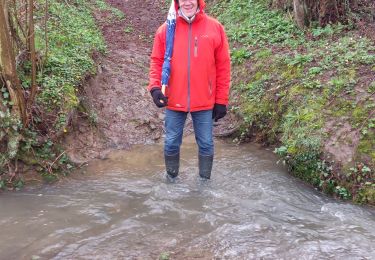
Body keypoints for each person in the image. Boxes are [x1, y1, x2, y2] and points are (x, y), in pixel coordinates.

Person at [147, 0, 231, 179]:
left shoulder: (215, 28)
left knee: (207, 145)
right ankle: (171, 182)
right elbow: (157, 60)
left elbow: (224, 67)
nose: (187, 2)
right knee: (170, 144)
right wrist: (155, 88)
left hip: (205, 100)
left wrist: (221, 100)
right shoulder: (166, 29)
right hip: (174, 99)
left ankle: (204, 186)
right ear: (177, 2)